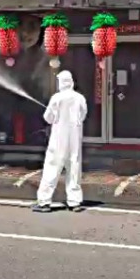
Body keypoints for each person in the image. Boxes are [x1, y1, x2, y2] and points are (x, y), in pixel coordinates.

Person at [33, 70, 88, 213]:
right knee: (74, 168)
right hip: (74, 138)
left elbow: (48, 118)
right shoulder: (80, 98)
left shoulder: (56, 98)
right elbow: (83, 115)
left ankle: (44, 202)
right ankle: (74, 202)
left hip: (58, 138)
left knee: (52, 167)